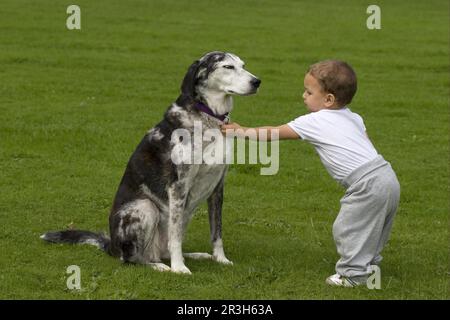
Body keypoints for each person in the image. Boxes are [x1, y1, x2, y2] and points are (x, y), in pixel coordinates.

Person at [221, 60, 400, 287]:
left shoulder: (315, 121)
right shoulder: (354, 117)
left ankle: (352, 275)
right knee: (373, 224)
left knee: (349, 227)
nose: (303, 96)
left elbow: (274, 133)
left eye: (308, 91)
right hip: (386, 174)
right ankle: (369, 263)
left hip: (366, 183)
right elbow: (365, 146)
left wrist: (241, 131)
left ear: (328, 100)